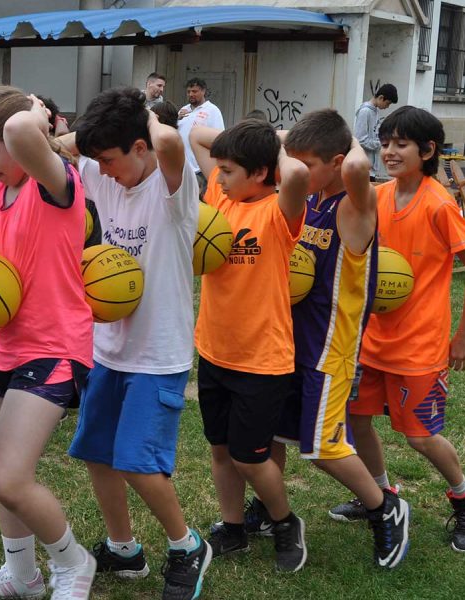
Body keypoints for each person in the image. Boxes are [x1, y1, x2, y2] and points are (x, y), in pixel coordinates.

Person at [0, 87, 97, 599]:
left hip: (55, 345)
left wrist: (29, 113)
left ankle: (74, 564)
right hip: (8, 344)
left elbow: (18, 133)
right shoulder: (0, 186)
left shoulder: (55, 181)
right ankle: (22, 577)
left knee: (11, 476)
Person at [238, 109, 411, 569]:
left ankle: (384, 507)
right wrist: (293, 147)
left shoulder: (354, 208)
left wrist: (347, 136)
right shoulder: (306, 199)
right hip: (287, 339)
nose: (294, 171)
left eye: (308, 164)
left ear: (336, 161)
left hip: (329, 347)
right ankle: (266, 507)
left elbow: (357, 167)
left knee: (322, 447)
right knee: (272, 432)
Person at [60, 87, 211, 599]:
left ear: (140, 146)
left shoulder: (173, 187)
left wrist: (140, 109)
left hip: (158, 355)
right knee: (99, 453)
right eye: (95, 159)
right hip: (107, 349)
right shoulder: (103, 178)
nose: (100, 169)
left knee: (135, 461)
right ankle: (124, 549)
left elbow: (170, 139)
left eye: (110, 158)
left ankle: (186, 545)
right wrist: (94, 135)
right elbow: (58, 146)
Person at [339, 106, 465, 553]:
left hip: (420, 345)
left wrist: (464, 336)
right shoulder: (379, 198)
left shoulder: (440, 203)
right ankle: (382, 496)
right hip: (372, 341)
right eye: (385, 143)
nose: (389, 151)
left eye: (400, 143)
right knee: (356, 420)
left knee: (419, 435)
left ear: (427, 150)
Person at [189, 119, 310, 572]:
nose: (216, 177)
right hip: (214, 350)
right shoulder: (222, 196)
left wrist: (275, 141)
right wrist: (242, 147)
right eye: (217, 170)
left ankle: (284, 522)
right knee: (221, 449)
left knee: (251, 456)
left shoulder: (280, 212)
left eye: (227, 170)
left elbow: (295, 173)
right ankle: (233, 527)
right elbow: (197, 137)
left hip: (263, 359)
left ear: (260, 173)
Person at [177, 78, 225, 198]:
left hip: (200, 168)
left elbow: (219, 139)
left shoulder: (212, 110)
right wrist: (176, 118)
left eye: (194, 91)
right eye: (188, 92)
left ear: (203, 91)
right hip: (183, 168)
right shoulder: (184, 110)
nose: (191, 94)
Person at [353, 83, 397, 180]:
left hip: (371, 167)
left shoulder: (375, 111)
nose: (387, 107)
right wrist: (380, 143)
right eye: (388, 103)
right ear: (381, 98)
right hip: (363, 167)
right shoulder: (365, 111)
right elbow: (360, 139)